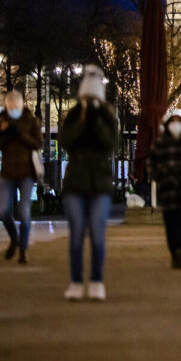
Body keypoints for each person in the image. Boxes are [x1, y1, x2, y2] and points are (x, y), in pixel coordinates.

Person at [60, 66, 118, 301]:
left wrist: (96, 120)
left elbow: (109, 143)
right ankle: (75, 281)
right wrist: (83, 119)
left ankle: (96, 280)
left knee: (97, 234)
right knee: (76, 235)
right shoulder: (74, 115)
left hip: (100, 183)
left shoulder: (107, 115)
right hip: (75, 183)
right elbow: (66, 141)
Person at [0, 90, 43, 264]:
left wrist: (20, 134)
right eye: (10, 107)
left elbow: (38, 143)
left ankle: (23, 249)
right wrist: (4, 133)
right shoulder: (1, 123)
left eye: (15, 107)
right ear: (6, 106)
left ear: (21, 106)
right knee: (3, 210)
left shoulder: (31, 121)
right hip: (7, 173)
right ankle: (14, 238)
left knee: (24, 211)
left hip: (27, 173)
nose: (12, 110)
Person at [147, 110, 181, 269]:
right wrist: (159, 177)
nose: (175, 124)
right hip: (168, 190)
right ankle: (174, 250)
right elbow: (151, 163)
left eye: (178, 121)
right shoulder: (160, 142)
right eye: (173, 121)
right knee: (170, 224)